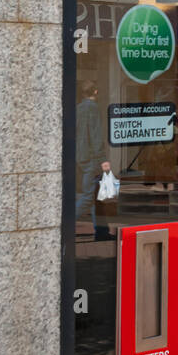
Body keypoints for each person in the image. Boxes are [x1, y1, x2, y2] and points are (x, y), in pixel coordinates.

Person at [75, 83, 114, 240]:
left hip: (81, 157)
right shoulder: (93, 108)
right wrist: (103, 159)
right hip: (92, 158)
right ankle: (63, 223)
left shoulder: (78, 108)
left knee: (95, 197)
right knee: (88, 196)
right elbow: (96, 135)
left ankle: (101, 231)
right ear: (96, 91)